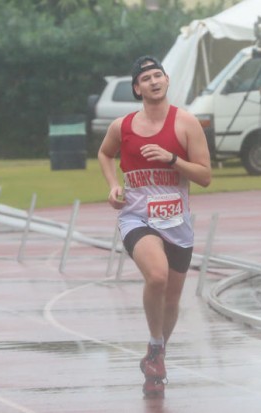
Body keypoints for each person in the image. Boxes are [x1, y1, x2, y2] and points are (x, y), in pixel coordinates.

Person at [97, 55, 211, 397]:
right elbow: (105, 154)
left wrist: (172, 159)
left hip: (177, 222)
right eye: (146, 79)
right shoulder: (122, 126)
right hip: (136, 217)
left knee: (172, 300)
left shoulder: (186, 123)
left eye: (158, 75)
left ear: (167, 80)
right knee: (157, 276)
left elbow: (205, 176)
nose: (154, 81)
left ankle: (156, 353)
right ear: (137, 89)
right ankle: (155, 347)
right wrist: (113, 186)